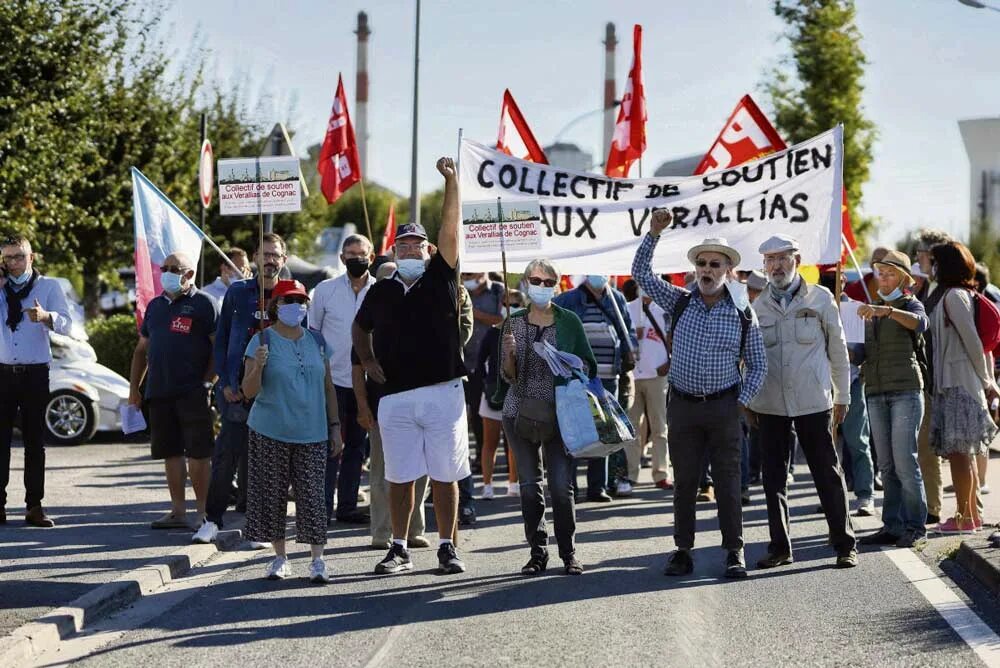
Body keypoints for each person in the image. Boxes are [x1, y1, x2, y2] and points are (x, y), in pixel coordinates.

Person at [632, 210, 767, 579]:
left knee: (727, 483)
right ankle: (682, 550)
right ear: (694, 268)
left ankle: (734, 551)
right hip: (684, 407)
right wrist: (654, 233)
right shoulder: (678, 300)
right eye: (702, 263)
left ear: (727, 271)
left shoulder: (742, 313)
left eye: (715, 264)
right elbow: (640, 274)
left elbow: (758, 364)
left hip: (724, 407)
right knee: (686, 482)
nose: (707, 270)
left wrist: (741, 402)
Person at [352, 157, 471, 576]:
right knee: (399, 477)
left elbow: (451, 226)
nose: (408, 251)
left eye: (416, 245)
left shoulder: (442, 277)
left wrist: (452, 182)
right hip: (395, 396)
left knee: (444, 473)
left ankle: (446, 546)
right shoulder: (381, 290)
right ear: (394, 251)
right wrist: (366, 359)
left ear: (430, 250)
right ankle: (398, 548)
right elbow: (358, 327)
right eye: (401, 246)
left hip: (442, 391)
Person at [749, 234, 857, 570]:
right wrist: (747, 400)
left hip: (814, 400)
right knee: (774, 478)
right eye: (770, 260)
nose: (776, 265)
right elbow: (748, 358)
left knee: (827, 472)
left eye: (783, 258)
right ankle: (780, 548)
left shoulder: (821, 298)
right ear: (763, 266)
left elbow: (838, 351)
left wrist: (843, 395)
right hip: (770, 403)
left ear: (797, 259)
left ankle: (844, 544)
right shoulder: (756, 306)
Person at [494, 258, 597, 575]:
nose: (540, 286)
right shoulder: (513, 323)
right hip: (519, 412)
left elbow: (588, 366)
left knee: (561, 485)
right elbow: (506, 377)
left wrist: (571, 362)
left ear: (557, 283)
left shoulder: (568, 322)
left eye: (546, 281)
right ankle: (537, 552)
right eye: (534, 280)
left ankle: (569, 552)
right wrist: (509, 355)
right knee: (528, 485)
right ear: (524, 282)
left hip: (561, 415)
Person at [241, 280, 342, 582]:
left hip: (313, 431)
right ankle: (280, 558)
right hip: (270, 429)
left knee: (313, 496)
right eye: (288, 301)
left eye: (300, 301)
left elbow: (328, 387)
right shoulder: (261, 340)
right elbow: (248, 391)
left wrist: (335, 426)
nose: (296, 306)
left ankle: (317, 560)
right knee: (271, 496)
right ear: (275, 306)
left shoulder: (317, 341)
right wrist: (258, 367)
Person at [193, 233, 288, 545]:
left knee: (268, 461)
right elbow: (221, 341)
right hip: (237, 391)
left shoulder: (293, 294)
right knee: (226, 457)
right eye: (265, 254)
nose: (270, 260)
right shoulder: (237, 292)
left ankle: (260, 524)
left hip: (275, 393)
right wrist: (227, 381)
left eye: (276, 255)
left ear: (284, 261)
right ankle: (212, 520)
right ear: (255, 258)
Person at [128, 251, 218, 530]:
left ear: (189, 274)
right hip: (159, 390)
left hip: (193, 391)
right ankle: (178, 511)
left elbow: (218, 349)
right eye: (163, 267)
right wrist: (135, 389)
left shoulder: (205, 303)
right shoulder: (155, 306)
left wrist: (207, 382)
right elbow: (142, 350)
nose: (166, 272)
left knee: (199, 454)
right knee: (170, 452)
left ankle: (203, 512)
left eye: (173, 268)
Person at [854, 251, 929, 549]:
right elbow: (862, 354)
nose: (882, 278)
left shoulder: (909, 303)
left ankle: (915, 526)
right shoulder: (870, 311)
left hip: (906, 391)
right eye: (879, 273)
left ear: (902, 278)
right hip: (875, 391)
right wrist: (846, 350)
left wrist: (887, 312)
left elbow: (921, 324)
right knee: (886, 465)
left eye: (889, 273)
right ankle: (893, 526)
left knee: (904, 462)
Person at [0, 236, 72, 527]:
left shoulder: (48, 286)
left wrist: (46, 316)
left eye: (18, 256)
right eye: (7, 258)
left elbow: (69, 324)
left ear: (32, 257)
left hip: (35, 373)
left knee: (34, 441)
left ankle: (34, 505)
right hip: (2, 372)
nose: (13, 263)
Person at [927, 242, 999, 534]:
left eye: (934, 262)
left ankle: (963, 517)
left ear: (945, 265)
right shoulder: (958, 295)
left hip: (959, 383)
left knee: (959, 454)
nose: (931, 267)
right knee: (963, 454)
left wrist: (987, 382)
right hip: (957, 382)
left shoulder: (955, 296)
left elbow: (973, 341)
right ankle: (970, 516)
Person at [309, 234, 376, 525]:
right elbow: (313, 334)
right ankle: (321, 508)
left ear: (371, 257)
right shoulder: (324, 291)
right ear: (341, 258)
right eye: (350, 254)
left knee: (357, 448)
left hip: (368, 382)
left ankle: (347, 506)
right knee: (329, 446)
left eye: (361, 254)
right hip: (332, 380)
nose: (355, 258)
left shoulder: (382, 290)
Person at [554, 274, 636, 502]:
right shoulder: (568, 299)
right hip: (577, 377)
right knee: (575, 429)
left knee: (606, 431)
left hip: (608, 376)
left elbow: (627, 330)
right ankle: (568, 486)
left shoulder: (617, 299)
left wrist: (630, 350)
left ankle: (597, 486)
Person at [914, 228, 953, 525]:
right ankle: (932, 507)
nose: (917, 257)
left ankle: (965, 511)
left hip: (945, 379)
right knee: (927, 447)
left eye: (921, 252)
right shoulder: (927, 288)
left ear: (933, 256)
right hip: (929, 379)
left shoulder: (948, 290)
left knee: (959, 450)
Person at [476, 292, 523, 499]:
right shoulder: (492, 333)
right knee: (489, 442)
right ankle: (487, 485)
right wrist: (486, 385)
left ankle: (514, 483)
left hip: (517, 394)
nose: (510, 307)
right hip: (493, 394)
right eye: (506, 303)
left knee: (515, 443)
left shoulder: (526, 334)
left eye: (514, 304)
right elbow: (479, 364)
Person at [624, 287, 671, 491]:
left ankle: (661, 473)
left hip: (657, 375)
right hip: (632, 375)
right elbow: (620, 337)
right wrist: (634, 334)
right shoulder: (627, 308)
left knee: (659, 427)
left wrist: (670, 362)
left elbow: (674, 338)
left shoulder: (664, 309)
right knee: (631, 428)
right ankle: (631, 473)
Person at [460, 271, 505, 472]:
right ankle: (467, 457)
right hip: (463, 362)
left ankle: (485, 456)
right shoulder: (459, 291)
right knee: (465, 414)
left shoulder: (498, 291)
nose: (467, 277)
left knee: (483, 414)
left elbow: (501, 318)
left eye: (471, 273)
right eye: (465, 274)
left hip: (489, 364)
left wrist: (473, 312)